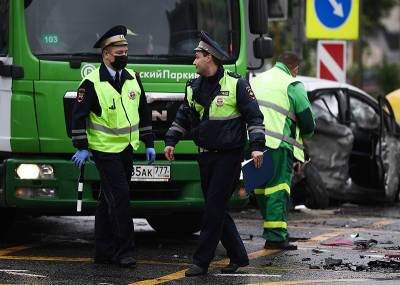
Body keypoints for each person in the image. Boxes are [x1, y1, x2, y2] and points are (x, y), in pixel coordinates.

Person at [164, 31, 266, 276]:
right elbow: (183, 117)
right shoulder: (193, 87)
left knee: (212, 209)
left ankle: (201, 261)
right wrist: (171, 141)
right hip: (205, 156)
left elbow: (254, 117)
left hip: (228, 157)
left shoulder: (236, 84)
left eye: (197, 56)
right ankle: (239, 256)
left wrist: (257, 146)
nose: (194, 61)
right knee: (216, 208)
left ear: (209, 58)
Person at [70, 25, 155, 268]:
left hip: (127, 147)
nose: (124, 55)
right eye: (119, 51)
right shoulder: (91, 82)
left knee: (107, 201)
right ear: (106, 54)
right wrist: (82, 146)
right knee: (120, 197)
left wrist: (149, 143)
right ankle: (125, 251)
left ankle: (103, 251)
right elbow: (78, 116)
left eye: (126, 50)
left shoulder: (133, 77)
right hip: (104, 150)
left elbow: (143, 112)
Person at [250, 52, 315, 250]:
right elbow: (307, 119)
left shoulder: (256, 80)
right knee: (278, 189)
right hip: (277, 144)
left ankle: (272, 231)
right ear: (295, 68)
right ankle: (277, 237)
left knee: (261, 189)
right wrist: (307, 134)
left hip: (252, 143)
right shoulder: (292, 85)